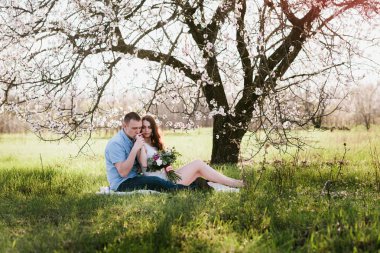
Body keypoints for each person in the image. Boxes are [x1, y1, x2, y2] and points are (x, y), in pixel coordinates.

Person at [140, 115, 244, 188]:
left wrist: (166, 165)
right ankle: (233, 182)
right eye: (144, 127)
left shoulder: (153, 145)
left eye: (149, 127)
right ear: (140, 128)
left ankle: (230, 182)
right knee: (198, 164)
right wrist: (161, 162)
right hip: (163, 182)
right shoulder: (140, 145)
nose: (146, 130)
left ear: (153, 128)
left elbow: (158, 163)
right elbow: (144, 165)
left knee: (198, 172)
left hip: (166, 176)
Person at [105, 112, 191, 192]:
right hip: (122, 183)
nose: (138, 131)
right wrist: (135, 148)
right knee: (154, 181)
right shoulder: (116, 143)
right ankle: (191, 188)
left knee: (156, 179)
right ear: (124, 126)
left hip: (135, 177)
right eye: (134, 128)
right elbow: (123, 173)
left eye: (139, 128)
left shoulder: (132, 138)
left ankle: (194, 183)